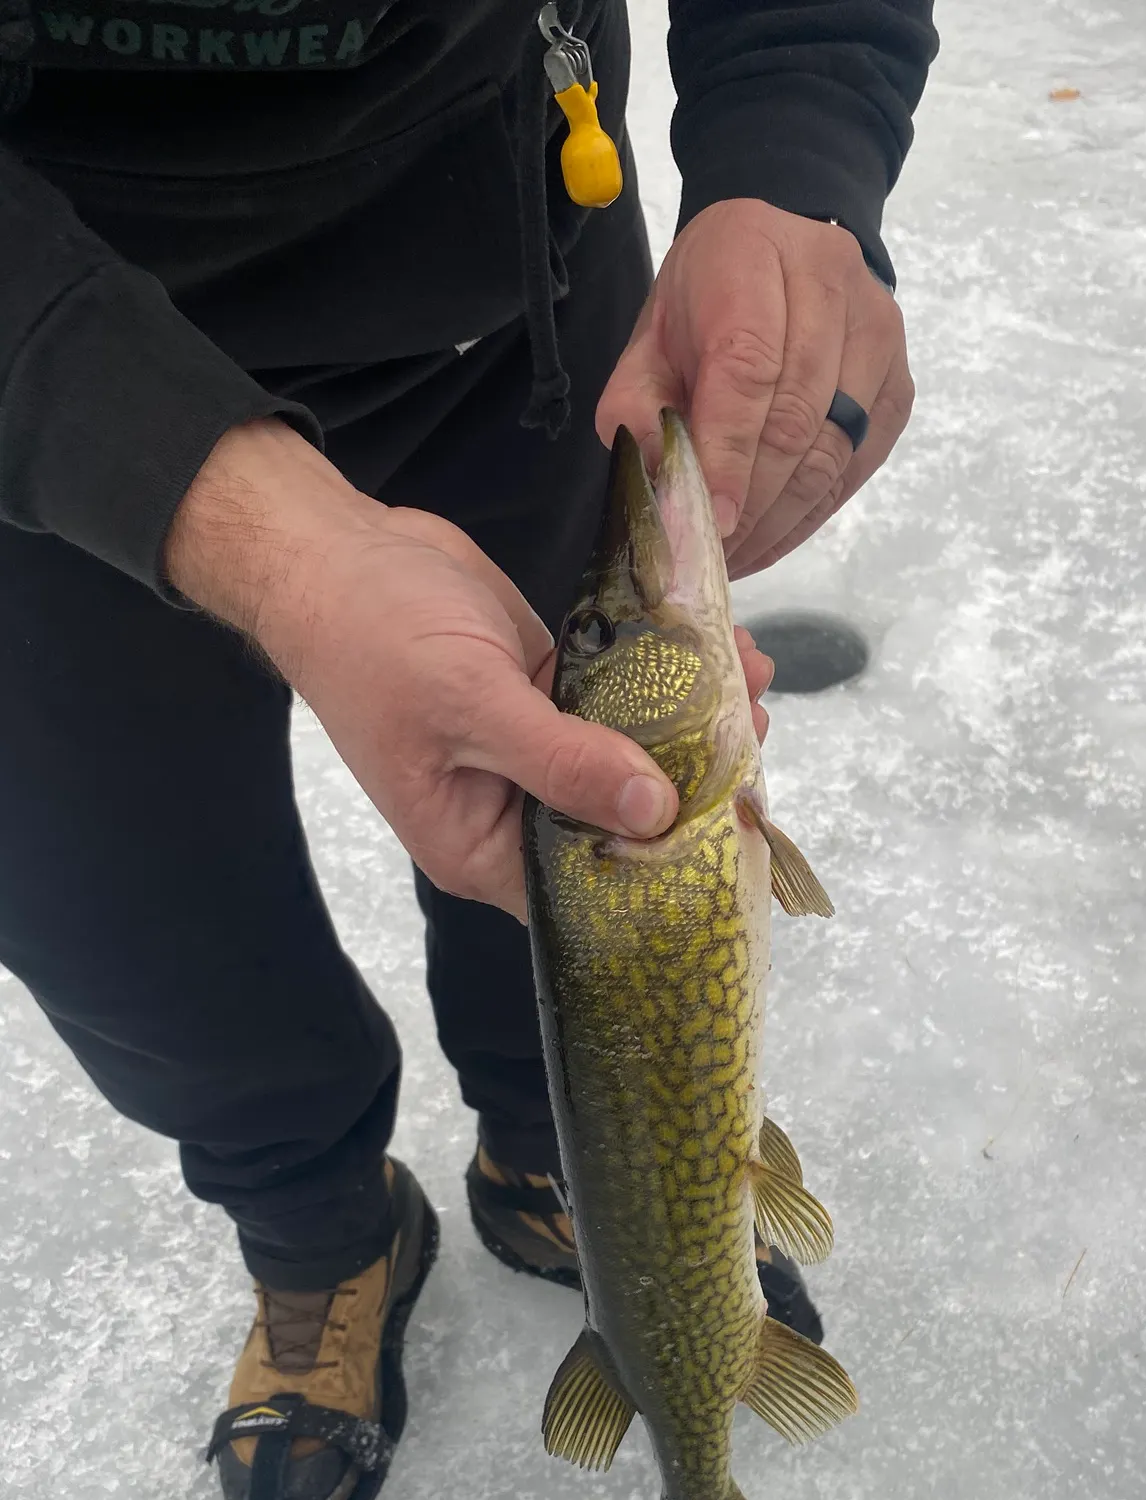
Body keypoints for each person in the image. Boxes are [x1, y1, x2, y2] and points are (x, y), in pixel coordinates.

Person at [0, 0, 937, 1493]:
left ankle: (571, 1166)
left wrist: (797, 131)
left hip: (500, 274)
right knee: (128, 918)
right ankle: (318, 1233)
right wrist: (281, 555)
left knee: (542, 841)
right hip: (30, 392)